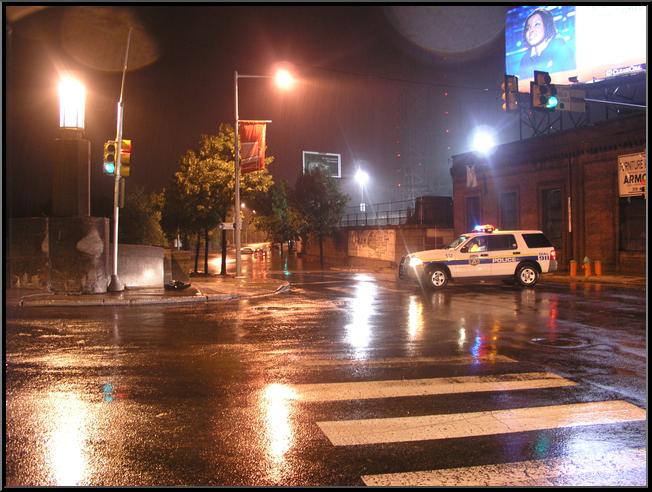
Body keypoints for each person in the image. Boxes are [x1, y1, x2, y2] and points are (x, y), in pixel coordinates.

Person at [519, 8, 575, 78]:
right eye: (528, 28)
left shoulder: (563, 50)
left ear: (547, 26)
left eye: (537, 24)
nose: (531, 31)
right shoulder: (525, 60)